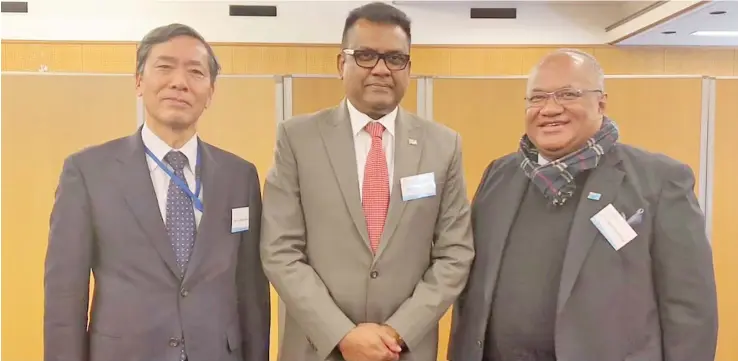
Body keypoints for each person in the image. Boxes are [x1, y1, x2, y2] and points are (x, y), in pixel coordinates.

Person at [448, 48, 719, 361]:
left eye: (567, 94)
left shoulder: (659, 181)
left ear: (601, 102)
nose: (549, 109)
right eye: (537, 97)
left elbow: (690, 309)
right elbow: (472, 294)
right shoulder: (499, 175)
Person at [260, 2, 474, 361]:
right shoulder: (297, 139)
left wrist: (396, 332)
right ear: (341, 64)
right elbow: (280, 250)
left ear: (408, 67)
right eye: (365, 55)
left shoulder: (443, 146)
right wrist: (341, 333)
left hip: (403, 350)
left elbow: (455, 253)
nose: (380, 69)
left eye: (394, 58)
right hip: (318, 348)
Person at [43, 23, 270, 361]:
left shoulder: (240, 176)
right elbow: (65, 296)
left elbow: (251, 293)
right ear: (138, 81)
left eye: (195, 72)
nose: (179, 82)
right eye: (164, 67)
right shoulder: (88, 171)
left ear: (210, 92)